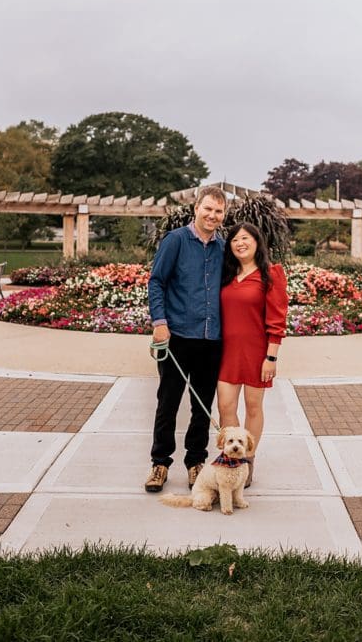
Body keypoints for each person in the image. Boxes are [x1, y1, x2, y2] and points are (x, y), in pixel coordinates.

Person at [145, 185, 227, 493]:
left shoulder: (223, 248)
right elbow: (157, 281)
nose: (212, 215)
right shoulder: (176, 241)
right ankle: (160, 463)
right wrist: (160, 322)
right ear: (196, 208)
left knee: (202, 405)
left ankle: (196, 462)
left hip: (211, 339)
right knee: (167, 403)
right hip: (177, 335)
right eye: (208, 208)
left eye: (218, 211)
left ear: (223, 214)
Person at [216, 221, 288, 488]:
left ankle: (248, 459)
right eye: (235, 240)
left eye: (245, 238)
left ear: (257, 242)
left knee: (254, 407)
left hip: (258, 352)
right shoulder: (226, 275)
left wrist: (271, 357)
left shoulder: (271, 274)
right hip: (227, 352)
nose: (240, 243)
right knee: (225, 406)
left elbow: (278, 319)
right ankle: (231, 456)